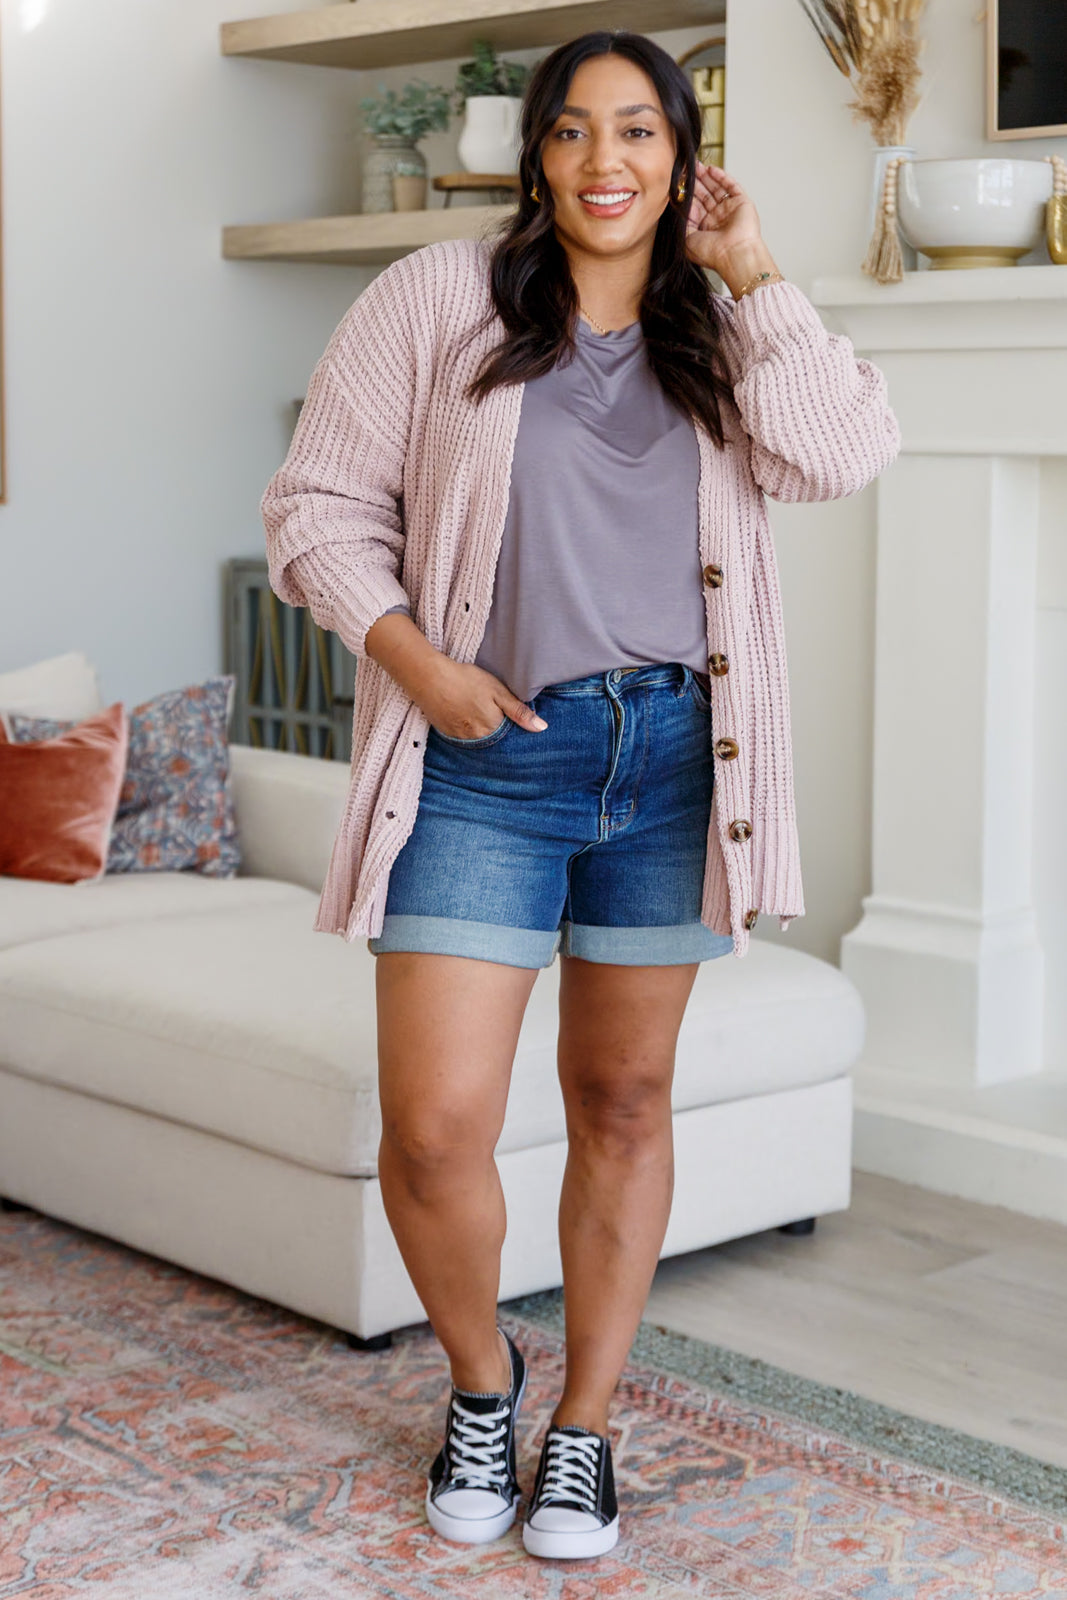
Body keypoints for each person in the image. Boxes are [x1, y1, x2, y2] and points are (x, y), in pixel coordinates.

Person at [260, 29, 900, 1563]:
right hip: (482, 756)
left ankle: (588, 1431)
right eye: (573, 132)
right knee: (433, 1124)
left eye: (640, 132)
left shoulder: (723, 330)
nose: (605, 160)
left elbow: (847, 451)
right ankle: (485, 1382)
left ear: (682, 159)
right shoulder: (434, 298)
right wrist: (418, 663)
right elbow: (315, 515)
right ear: (535, 154)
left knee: (621, 1104)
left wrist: (757, 276)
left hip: (676, 762)